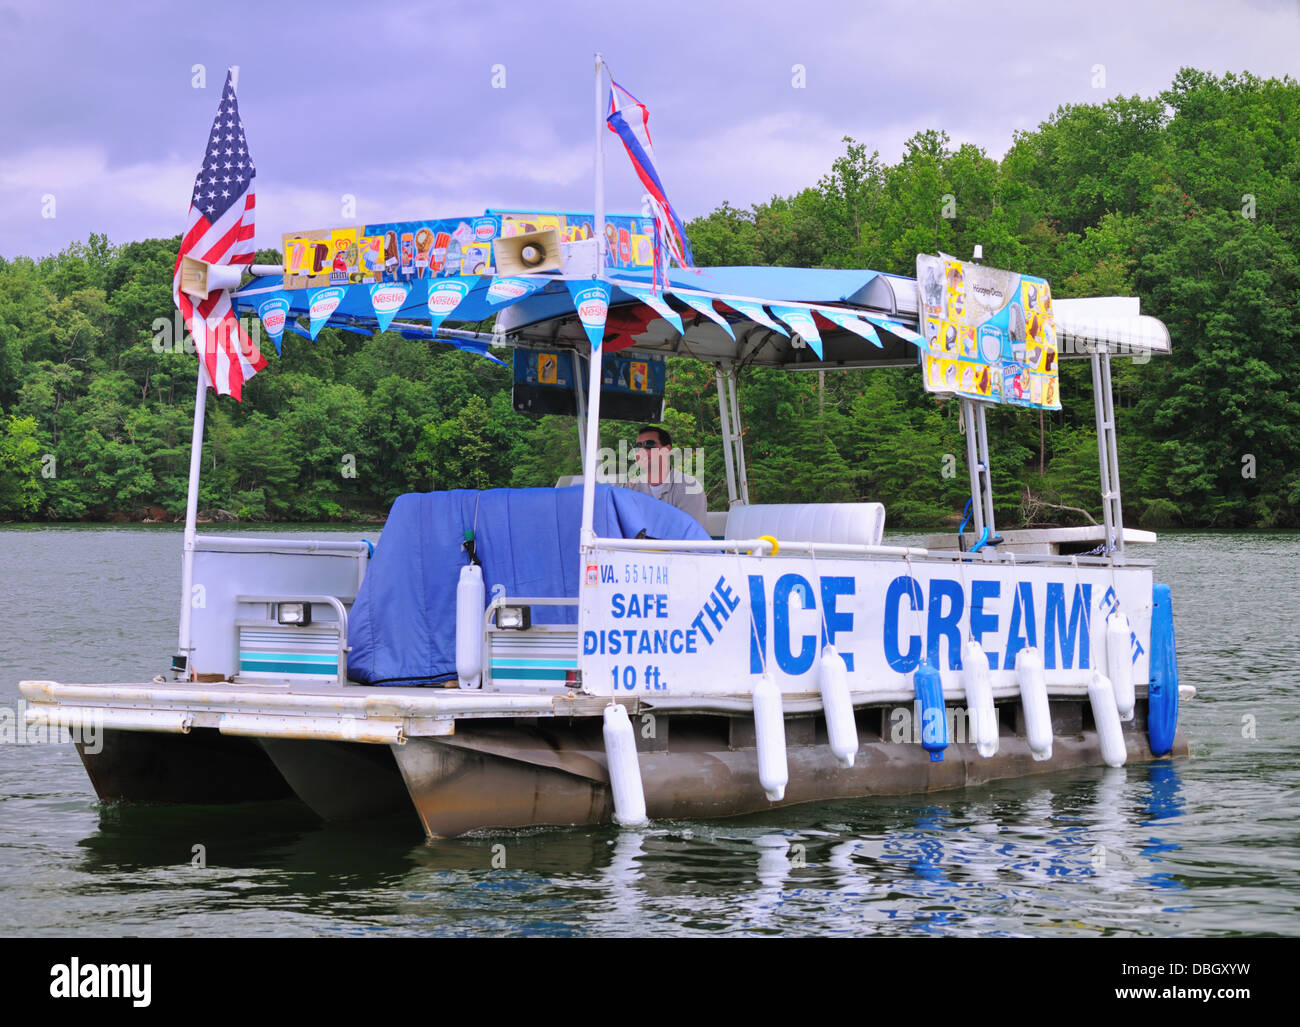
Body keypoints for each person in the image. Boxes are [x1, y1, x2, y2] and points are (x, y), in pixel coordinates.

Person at [624, 425, 707, 529]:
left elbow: (691, 535)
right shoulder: (631, 487)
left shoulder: (690, 488)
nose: (642, 450)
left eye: (649, 445)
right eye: (638, 446)